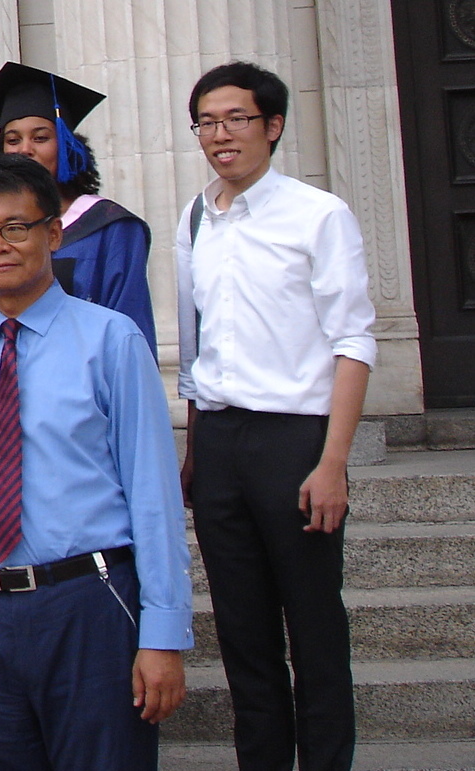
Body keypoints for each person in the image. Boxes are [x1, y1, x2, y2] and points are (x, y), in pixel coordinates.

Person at [0, 153, 191, 770]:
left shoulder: (112, 340)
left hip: (87, 602)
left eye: (16, 227)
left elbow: (153, 494)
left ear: (53, 232)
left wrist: (164, 633)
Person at [177, 62, 373, 771]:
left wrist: (331, 461)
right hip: (221, 438)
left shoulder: (317, 215)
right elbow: (196, 348)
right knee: (241, 631)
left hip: (295, 438)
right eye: (206, 121)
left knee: (313, 627)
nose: (219, 134)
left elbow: (351, 341)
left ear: (272, 126)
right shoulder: (196, 216)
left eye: (234, 118)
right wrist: (196, 451)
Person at [0, 62, 155, 348]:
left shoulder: (110, 227)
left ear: (67, 146)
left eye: (41, 138)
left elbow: (131, 327)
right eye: (13, 139)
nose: (25, 150)